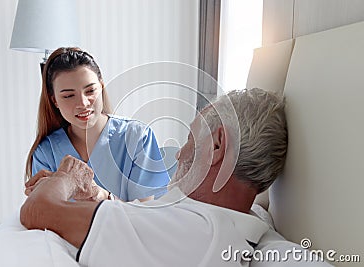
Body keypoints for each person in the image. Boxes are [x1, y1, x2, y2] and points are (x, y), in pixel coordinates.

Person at [20, 88, 332, 266]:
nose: (180, 153)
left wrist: (65, 177)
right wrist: (94, 194)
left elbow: (37, 212)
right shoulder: (243, 215)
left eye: (189, 139)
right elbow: (133, 222)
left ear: (218, 145)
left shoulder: (194, 231)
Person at [25, 47, 170, 201]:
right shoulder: (46, 152)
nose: (83, 103)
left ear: (101, 87)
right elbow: (45, 213)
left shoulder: (138, 137)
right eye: (68, 96)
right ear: (55, 101)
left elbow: (146, 212)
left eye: (90, 91)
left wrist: (102, 197)